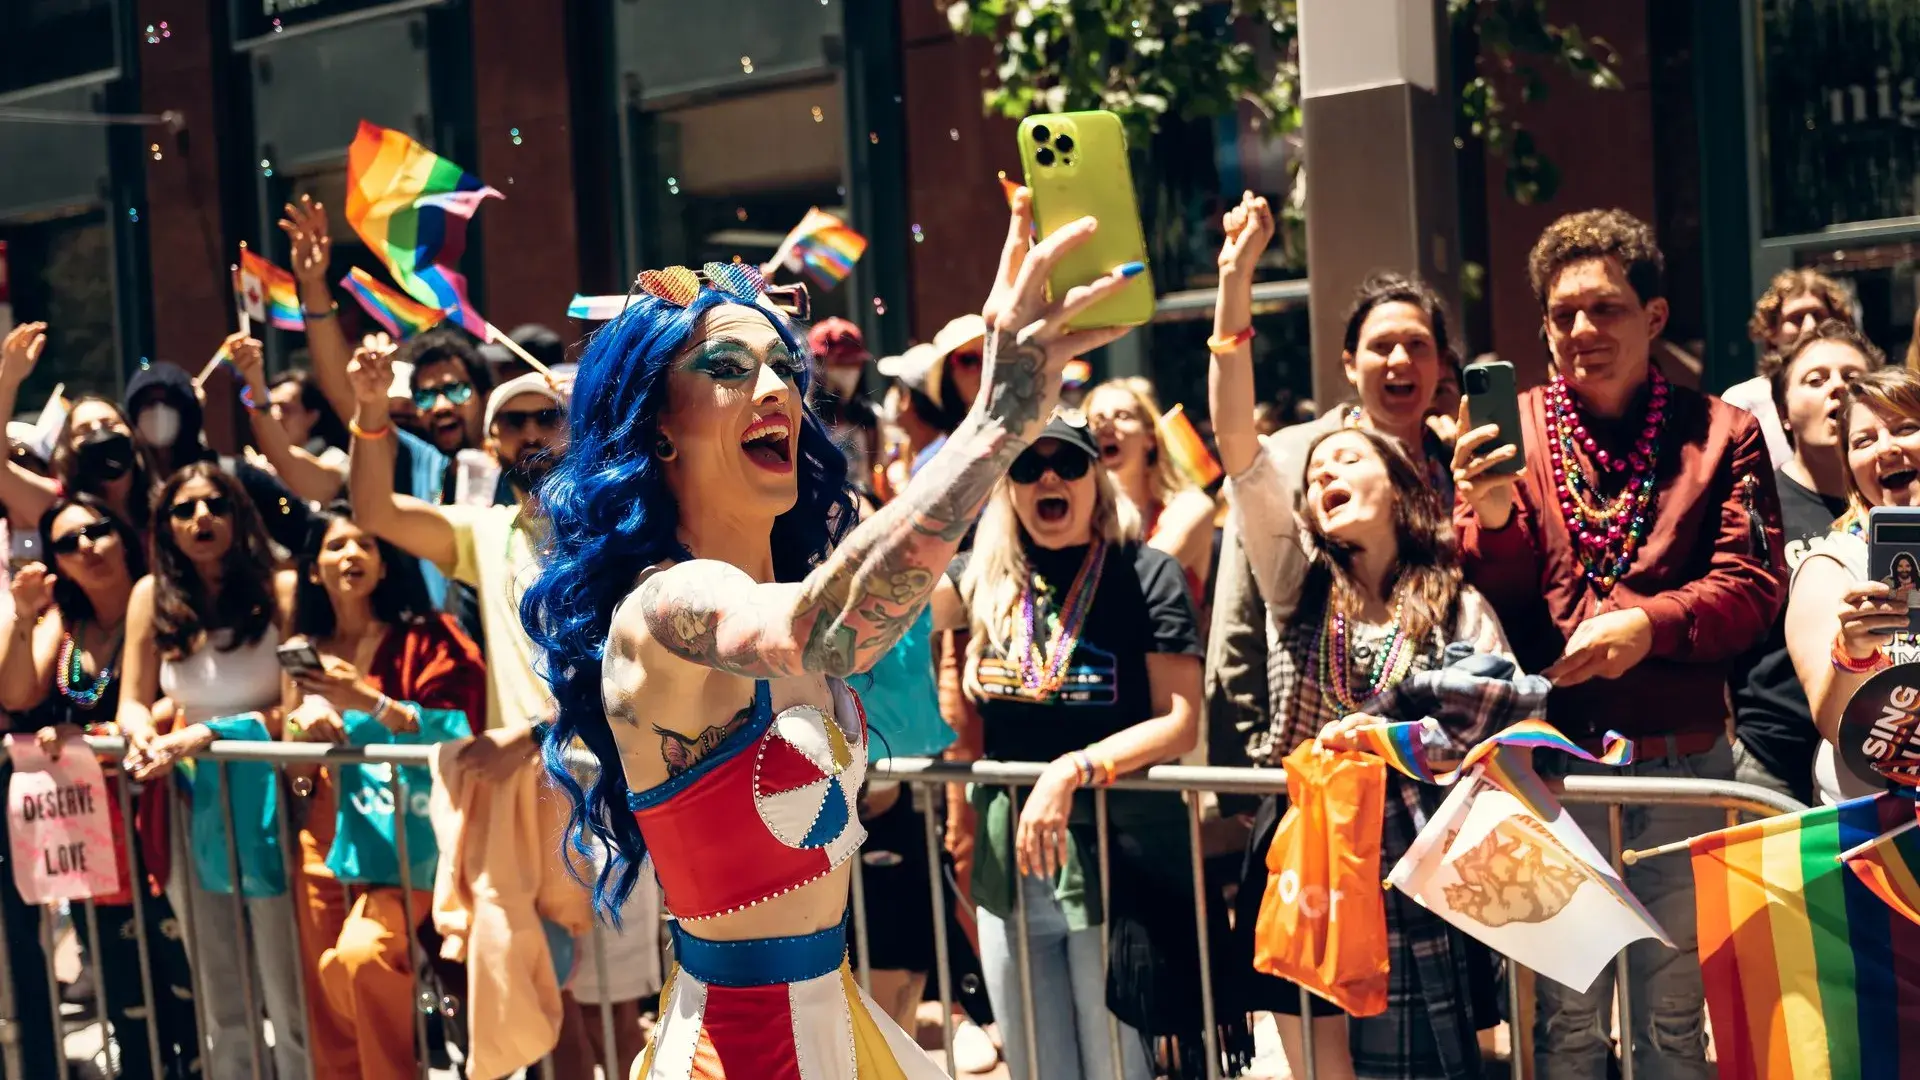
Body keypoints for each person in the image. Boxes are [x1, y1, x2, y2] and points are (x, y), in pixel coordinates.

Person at [521, 190, 1137, 1078]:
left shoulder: (783, 579)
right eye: (728, 367)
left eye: (784, 366)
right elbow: (822, 633)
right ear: (657, 425)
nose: (775, 388)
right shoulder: (663, 609)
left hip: (842, 1026)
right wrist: (995, 421)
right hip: (739, 1054)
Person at [1452, 209, 1785, 1080]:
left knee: (1672, 1028)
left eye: (1605, 308)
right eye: (1562, 315)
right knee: (1563, 1027)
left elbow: (1754, 586)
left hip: (1682, 768)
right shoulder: (1514, 432)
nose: (1581, 331)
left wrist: (1650, 626)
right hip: (1551, 772)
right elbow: (1497, 607)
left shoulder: (1723, 431)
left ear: (1655, 316)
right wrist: (1492, 517)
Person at [1209, 192, 1510, 1080]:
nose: (1325, 469)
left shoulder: (1454, 603)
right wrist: (1234, 281)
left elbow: (1501, 715)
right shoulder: (1296, 581)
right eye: (1317, 470)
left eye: (1348, 458)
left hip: (1414, 862)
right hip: (1307, 851)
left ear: (1400, 484)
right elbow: (1237, 442)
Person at [924, 409, 1201, 1080]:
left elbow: (1180, 721)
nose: (1048, 478)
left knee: (1115, 1067)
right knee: (1038, 1068)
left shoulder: (1147, 573)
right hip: (1009, 863)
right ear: (1008, 484)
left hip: (1114, 856)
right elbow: (889, 602)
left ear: (1096, 478)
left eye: (1068, 463)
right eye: (1027, 465)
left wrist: (1072, 771)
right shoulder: (974, 579)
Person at [1205, 270, 1458, 776]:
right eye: (1381, 346)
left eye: (1417, 345)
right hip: (1300, 787)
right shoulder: (1292, 474)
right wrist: (1234, 278)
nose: (1400, 360)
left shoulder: (1457, 471)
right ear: (1350, 363)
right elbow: (1238, 623)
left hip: (1426, 791)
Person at [116, 463, 310, 1080]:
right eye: (185, 509)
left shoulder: (282, 588)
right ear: (166, 525)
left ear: (238, 515)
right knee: (219, 978)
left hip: (273, 798)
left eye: (216, 505)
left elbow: (296, 706)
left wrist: (212, 733)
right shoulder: (149, 596)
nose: (202, 518)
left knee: (287, 975)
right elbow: (132, 701)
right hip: (186, 800)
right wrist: (141, 732)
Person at [279, 504, 485, 1080]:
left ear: (385, 562)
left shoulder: (428, 637)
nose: (352, 554)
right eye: (337, 545)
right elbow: (295, 771)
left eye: (366, 544)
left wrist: (367, 702)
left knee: (363, 958)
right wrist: (304, 733)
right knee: (330, 1001)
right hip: (322, 841)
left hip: (403, 838)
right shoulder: (302, 650)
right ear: (313, 569)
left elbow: (457, 727)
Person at [0, 495, 200, 1080]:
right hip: (91, 824)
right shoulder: (65, 622)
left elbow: (183, 696)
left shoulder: (165, 600)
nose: (86, 547)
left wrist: (103, 735)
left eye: (97, 530)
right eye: (68, 543)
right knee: (119, 972)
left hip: (164, 812)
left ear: (124, 535)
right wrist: (24, 616)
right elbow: (17, 694)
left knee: (181, 969)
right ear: (56, 561)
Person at [1728, 321, 1879, 805]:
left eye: (1852, 377)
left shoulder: (1893, 506)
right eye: (1816, 379)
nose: (1837, 387)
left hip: (1880, 763)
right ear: (1783, 414)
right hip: (1772, 766)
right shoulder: (1753, 507)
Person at [1784, 366, 1920, 804]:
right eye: (1864, 441)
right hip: (1879, 831)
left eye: (1906, 428)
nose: (1887, 447)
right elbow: (1833, 723)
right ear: (1850, 469)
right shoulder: (1831, 566)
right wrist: (1853, 651)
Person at [0, 324, 159, 534]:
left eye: (110, 424)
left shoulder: (167, 504)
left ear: (132, 434)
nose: (99, 432)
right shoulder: (59, 505)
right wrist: (8, 381)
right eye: (84, 431)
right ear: (69, 448)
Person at [1084, 377, 1217, 596]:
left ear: (1150, 437)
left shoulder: (1190, 508)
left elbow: (1132, 587)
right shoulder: (1079, 517)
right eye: (1097, 420)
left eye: (1122, 416)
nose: (1107, 427)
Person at [1721, 269, 1856, 467]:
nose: (1810, 326)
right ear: (1772, 331)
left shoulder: (1855, 387)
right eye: (1797, 318)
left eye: (1819, 315)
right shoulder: (1743, 401)